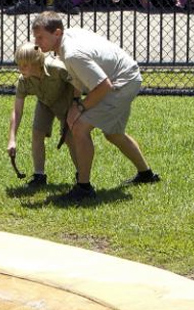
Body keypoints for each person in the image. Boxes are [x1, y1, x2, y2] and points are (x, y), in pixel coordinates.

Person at [32, 11, 160, 202]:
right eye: (35, 36)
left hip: (122, 82)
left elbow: (103, 86)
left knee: (79, 126)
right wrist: (75, 103)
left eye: (40, 36)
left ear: (57, 33)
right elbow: (80, 77)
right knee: (113, 133)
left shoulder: (73, 53)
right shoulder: (68, 38)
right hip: (127, 76)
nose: (36, 42)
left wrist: (80, 108)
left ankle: (84, 188)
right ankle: (146, 175)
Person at [7, 43, 78, 188]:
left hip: (67, 103)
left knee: (70, 138)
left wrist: (75, 105)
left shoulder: (57, 68)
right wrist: (12, 139)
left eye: (25, 65)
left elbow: (77, 81)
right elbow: (17, 110)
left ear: (37, 63)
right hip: (45, 102)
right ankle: (39, 175)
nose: (21, 68)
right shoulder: (23, 81)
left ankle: (81, 175)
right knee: (37, 133)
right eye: (19, 64)